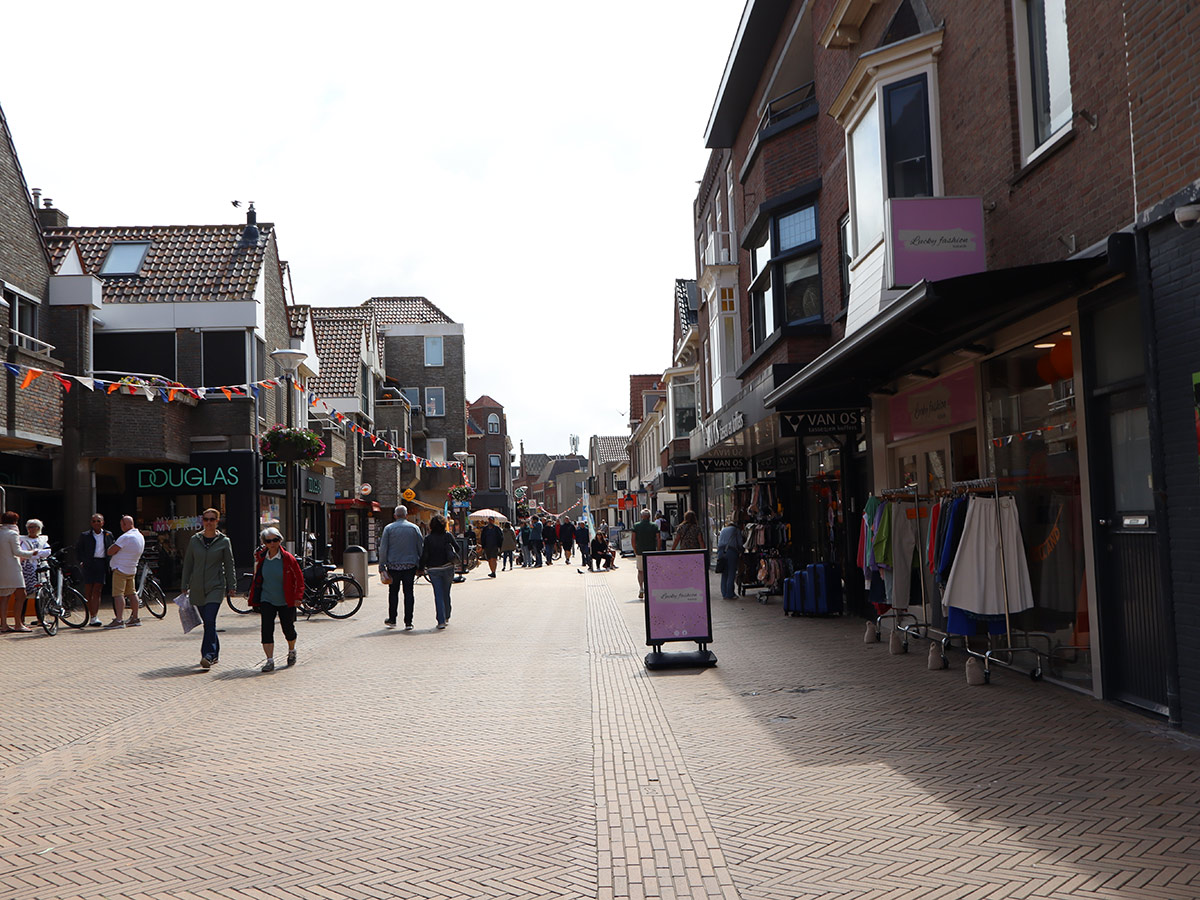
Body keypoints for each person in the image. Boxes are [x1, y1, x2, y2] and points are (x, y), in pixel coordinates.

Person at [180, 508, 237, 668]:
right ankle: (215, 652)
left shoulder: (224, 541)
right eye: (206, 519)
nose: (209, 522)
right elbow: (188, 564)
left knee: (210, 620)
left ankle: (208, 655)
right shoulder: (194, 540)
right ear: (202, 521)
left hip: (216, 587)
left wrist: (231, 585)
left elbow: (229, 564)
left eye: (212, 519)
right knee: (208, 623)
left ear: (217, 521)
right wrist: (184, 584)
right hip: (197, 588)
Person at [246, 526, 303, 672]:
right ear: (264, 542)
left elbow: (299, 578)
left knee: (288, 629)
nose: (272, 543)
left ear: (280, 540)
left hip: (286, 600)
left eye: (275, 540)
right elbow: (256, 577)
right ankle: (269, 661)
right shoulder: (261, 557)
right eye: (268, 541)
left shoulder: (288, 558)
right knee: (266, 630)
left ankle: (292, 651)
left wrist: (298, 597)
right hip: (267, 598)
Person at [378, 505, 424, 630]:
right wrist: (421, 564)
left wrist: (382, 565)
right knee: (409, 593)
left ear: (395, 515)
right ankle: (408, 622)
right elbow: (420, 547)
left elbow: (383, 549)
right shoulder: (414, 528)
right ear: (406, 515)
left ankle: (392, 619)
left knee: (393, 593)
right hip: (410, 565)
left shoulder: (389, 528)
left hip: (393, 566)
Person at [418, 514, 459, 629]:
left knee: (438, 594)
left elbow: (425, 555)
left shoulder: (428, 538)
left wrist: (421, 568)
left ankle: (440, 621)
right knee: (446, 592)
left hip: (433, 569)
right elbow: (458, 548)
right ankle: (447, 615)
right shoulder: (448, 536)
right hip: (448, 567)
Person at [0, 511, 38, 632]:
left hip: (2, 568)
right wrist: (32, 553)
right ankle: (18, 623)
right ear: (14, 522)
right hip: (13, 568)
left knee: (4, 596)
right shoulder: (12, 533)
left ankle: (4, 624)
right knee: (21, 595)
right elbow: (17, 552)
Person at [75, 514, 115, 627]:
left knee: (97, 589)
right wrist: (82, 561)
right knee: (89, 589)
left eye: (98, 521)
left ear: (103, 522)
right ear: (91, 523)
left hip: (101, 563)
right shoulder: (85, 535)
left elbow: (112, 548)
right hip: (89, 563)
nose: (96, 523)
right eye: (94, 521)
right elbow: (78, 549)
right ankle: (91, 615)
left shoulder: (108, 534)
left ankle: (94, 616)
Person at [105, 515, 145, 627]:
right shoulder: (139, 536)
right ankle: (135, 618)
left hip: (120, 568)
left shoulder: (125, 537)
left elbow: (110, 551)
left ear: (124, 524)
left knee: (118, 594)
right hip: (131, 568)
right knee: (132, 593)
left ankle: (119, 620)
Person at [18, 518, 50, 603]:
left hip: (41, 566)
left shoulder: (43, 540)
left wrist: (36, 552)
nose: (31, 529)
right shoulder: (22, 540)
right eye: (29, 527)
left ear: (38, 528)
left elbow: (47, 552)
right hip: (28, 568)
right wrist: (35, 554)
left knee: (43, 589)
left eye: (33, 527)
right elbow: (23, 552)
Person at [632, 508, 660, 600]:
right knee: (651, 571)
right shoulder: (654, 526)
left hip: (640, 551)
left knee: (640, 571)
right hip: (651, 551)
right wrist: (658, 550)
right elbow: (658, 539)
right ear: (650, 516)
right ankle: (650, 589)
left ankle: (641, 588)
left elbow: (633, 539)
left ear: (641, 516)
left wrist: (635, 550)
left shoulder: (636, 526)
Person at [717, 520, 743, 600]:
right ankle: (730, 593)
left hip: (721, 551)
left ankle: (724, 593)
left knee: (724, 573)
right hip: (731, 551)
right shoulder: (736, 530)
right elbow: (740, 543)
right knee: (731, 572)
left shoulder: (723, 529)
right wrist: (741, 551)